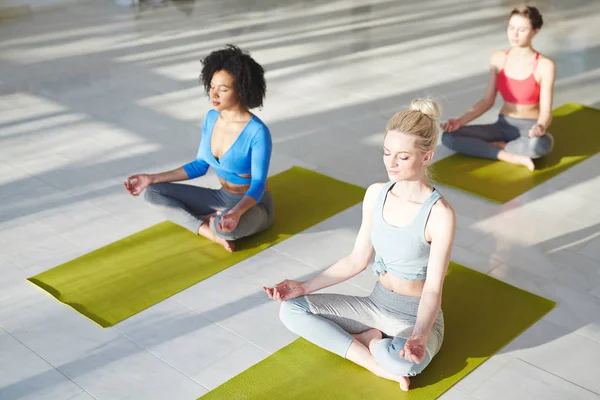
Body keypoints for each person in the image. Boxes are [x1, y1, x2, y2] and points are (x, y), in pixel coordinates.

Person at [264, 99, 456, 392]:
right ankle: (374, 360)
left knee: (407, 363)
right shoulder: (376, 194)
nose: (390, 163)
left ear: (427, 157)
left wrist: (419, 336)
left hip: (415, 318)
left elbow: (433, 288)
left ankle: (372, 342)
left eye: (402, 157)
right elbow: (357, 259)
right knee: (291, 310)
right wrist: (304, 286)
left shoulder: (440, 214)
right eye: (387, 152)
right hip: (376, 304)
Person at [124, 45, 273, 252]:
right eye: (212, 86)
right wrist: (152, 178)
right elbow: (200, 165)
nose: (214, 94)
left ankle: (217, 225)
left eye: (223, 89)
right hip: (222, 198)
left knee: (226, 229)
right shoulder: (211, 118)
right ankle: (208, 229)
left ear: (241, 91)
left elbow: (257, 185)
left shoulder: (257, 132)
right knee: (153, 193)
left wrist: (236, 213)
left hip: (253, 206)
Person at [441, 6, 556, 171]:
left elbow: (546, 112)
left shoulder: (545, 66)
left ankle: (500, 146)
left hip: (529, 130)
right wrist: (460, 121)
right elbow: (488, 100)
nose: (514, 34)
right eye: (511, 28)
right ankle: (508, 154)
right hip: (502, 125)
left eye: (522, 30)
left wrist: (541, 126)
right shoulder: (498, 58)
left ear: (535, 31)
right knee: (449, 138)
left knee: (541, 144)